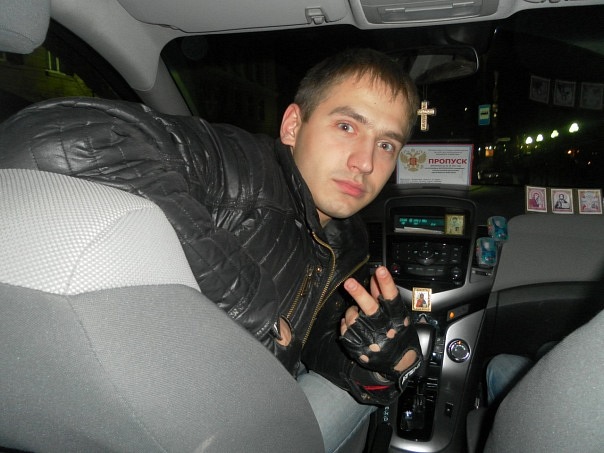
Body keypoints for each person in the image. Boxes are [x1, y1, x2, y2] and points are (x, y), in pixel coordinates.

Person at [0, 48, 422, 452]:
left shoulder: (348, 239)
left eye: (386, 145)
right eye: (346, 127)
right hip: (166, 414)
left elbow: (318, 338)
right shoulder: (239, 167)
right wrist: (255, 312)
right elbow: (54, 135)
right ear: (293, 126)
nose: (366, 162)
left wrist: (385, 360)